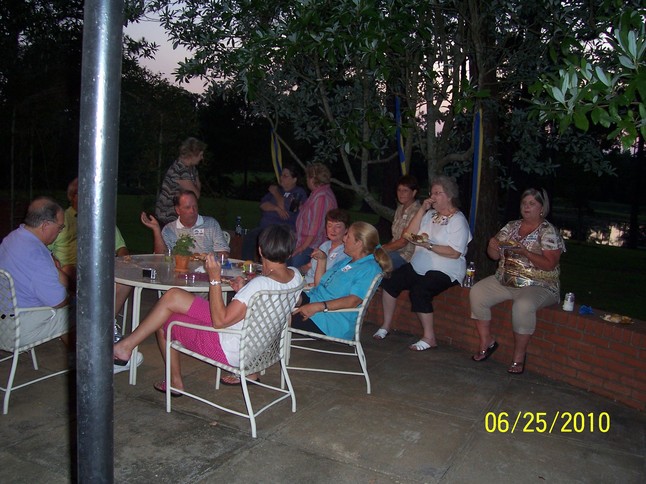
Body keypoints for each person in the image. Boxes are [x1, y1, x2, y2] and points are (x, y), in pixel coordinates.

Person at [113, 224, 304, 393]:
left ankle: (174, 382)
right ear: (289, 253)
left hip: (231, 348)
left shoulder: (259, 285)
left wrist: (214, 279)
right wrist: (246, 290)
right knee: (173, 296)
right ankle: (126, 346)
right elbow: (294, 301)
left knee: (166, 323)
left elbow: (220, 322)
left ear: (260, 250)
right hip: (256, 345)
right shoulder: (295, 276)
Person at [469, 188, 565, 374]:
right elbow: (494, 256)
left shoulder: (548, 232)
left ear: (542, 208)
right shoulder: (511, 226)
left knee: (522, 306)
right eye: (524, 203)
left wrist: (526, 253)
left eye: (532, 204)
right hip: (506, 279)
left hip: (539, 284)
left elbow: (550, 264)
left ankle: (519, 357)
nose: (526, 207)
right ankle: (487, 341)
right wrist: (492, 246)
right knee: (477, 292)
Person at [374, 176, 472, 350]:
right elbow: (408, 234)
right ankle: (386, 325)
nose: (433, 196)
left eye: (437, 193)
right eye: (432, 193)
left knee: (420, 290)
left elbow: (455, 253)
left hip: (446, 269)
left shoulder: (458, 220)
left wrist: (429, 246)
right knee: (390, 280)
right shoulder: (430, 215)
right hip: (419, 265)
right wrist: (422, 210)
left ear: (449, 196)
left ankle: (429, 337)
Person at [291, 221, 392, 340]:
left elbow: (353, 301)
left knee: (278, 316)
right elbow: (320, 285)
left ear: (358, 243)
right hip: (315, 300)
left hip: (331, 320)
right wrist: (322, 260)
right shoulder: (348, 261)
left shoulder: (369, 268)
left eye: (348, 236)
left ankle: (274, 347)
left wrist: (317, 306)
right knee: (280, 299)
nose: (344, 239)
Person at [48, 177, 132, 317]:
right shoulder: (61, 220)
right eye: (83, 193)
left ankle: (106, 321)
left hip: (99, 268)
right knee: (71, 271)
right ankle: (89, 317)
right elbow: (44, 248)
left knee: (125, 282)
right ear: (72, 196)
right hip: (70, 270)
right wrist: (53, 261)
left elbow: (120, 247)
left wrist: (124, 261)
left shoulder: (103, 220)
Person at [0, 197, 73, 348]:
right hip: (18, 328)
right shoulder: (36, 254)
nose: (59, 232)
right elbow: (58, 301)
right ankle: (93, 358)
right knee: (86, 310)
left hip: (4, 321)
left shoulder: (12, 238)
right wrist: (74, 297)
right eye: (60, 227)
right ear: (45, 225)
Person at [241, 163, 307, 261]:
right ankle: (248, 264)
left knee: (270, 245)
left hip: (282, 230)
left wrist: (276, 193)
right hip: (265, 228)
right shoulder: (278, 190)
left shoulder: (298, 193)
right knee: (250, 237)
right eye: (281, 175)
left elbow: (288, 209)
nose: (281, 178)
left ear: (294, 179)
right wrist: (276, 208)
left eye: (285, 176)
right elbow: (263, 205)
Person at [141, 189, 230, 256]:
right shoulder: (169, 229)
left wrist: (210, 259)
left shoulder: (211, 224)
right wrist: (156, 230)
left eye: (195, 206)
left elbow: (223, 253)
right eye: (187, 207)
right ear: (177, 210)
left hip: (206, 271)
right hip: (178, 271)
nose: (192, 211)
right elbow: (160, 256)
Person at [289, 163, 337, 267]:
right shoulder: (317, 193)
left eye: (307, 177)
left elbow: (315, 227)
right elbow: (313, 213)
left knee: (293, 268)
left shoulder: (321, 197)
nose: (306, 180)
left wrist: (301, 248)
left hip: (312, 246)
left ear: (313, 179)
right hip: (305, 242)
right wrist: (300, 207)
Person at [155, 137, 206, 226]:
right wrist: (197, 184)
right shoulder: (180, 170)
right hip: (168, 216)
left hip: (178, 216)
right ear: (192, 155)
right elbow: (195, 195)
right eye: (200, 155)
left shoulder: (191, 169)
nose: (202, 158)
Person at [381, 175, 421, 270]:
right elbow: (395, 238)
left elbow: (403, 242)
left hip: (406, 256)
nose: (401, 193)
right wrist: (384, 247)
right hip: (395, 251)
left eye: (405, 190)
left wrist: (382, 249)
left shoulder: (416, 211)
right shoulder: (400, 208)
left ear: (414, 192)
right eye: (399, 190)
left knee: (377, 262)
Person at [302, 208, 350, 285]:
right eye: (329, 225)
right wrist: (293, 272)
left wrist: (308, 285)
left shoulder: (346, 252)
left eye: (338, 226)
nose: (333, 230)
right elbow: (308, 266)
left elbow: (332, 281)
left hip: (316, 287)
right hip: (304, 280)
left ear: (346, 229)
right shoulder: (325, 245)